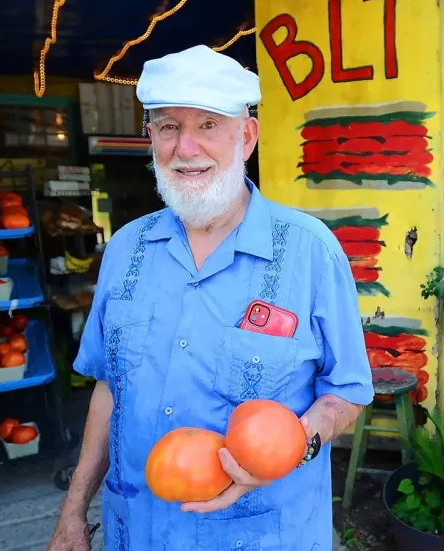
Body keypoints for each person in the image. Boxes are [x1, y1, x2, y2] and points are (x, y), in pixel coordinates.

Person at [47, 45, 374, 551]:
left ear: (247, 137)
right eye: (168, 127)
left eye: (208, 125)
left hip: (260, 537)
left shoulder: (311, 252)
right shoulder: (125, 250)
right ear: (151, 138)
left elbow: (347, 391)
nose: (186, 148)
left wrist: (291, 446)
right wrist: (73, 512)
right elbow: (109, 389)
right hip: (137, 532)